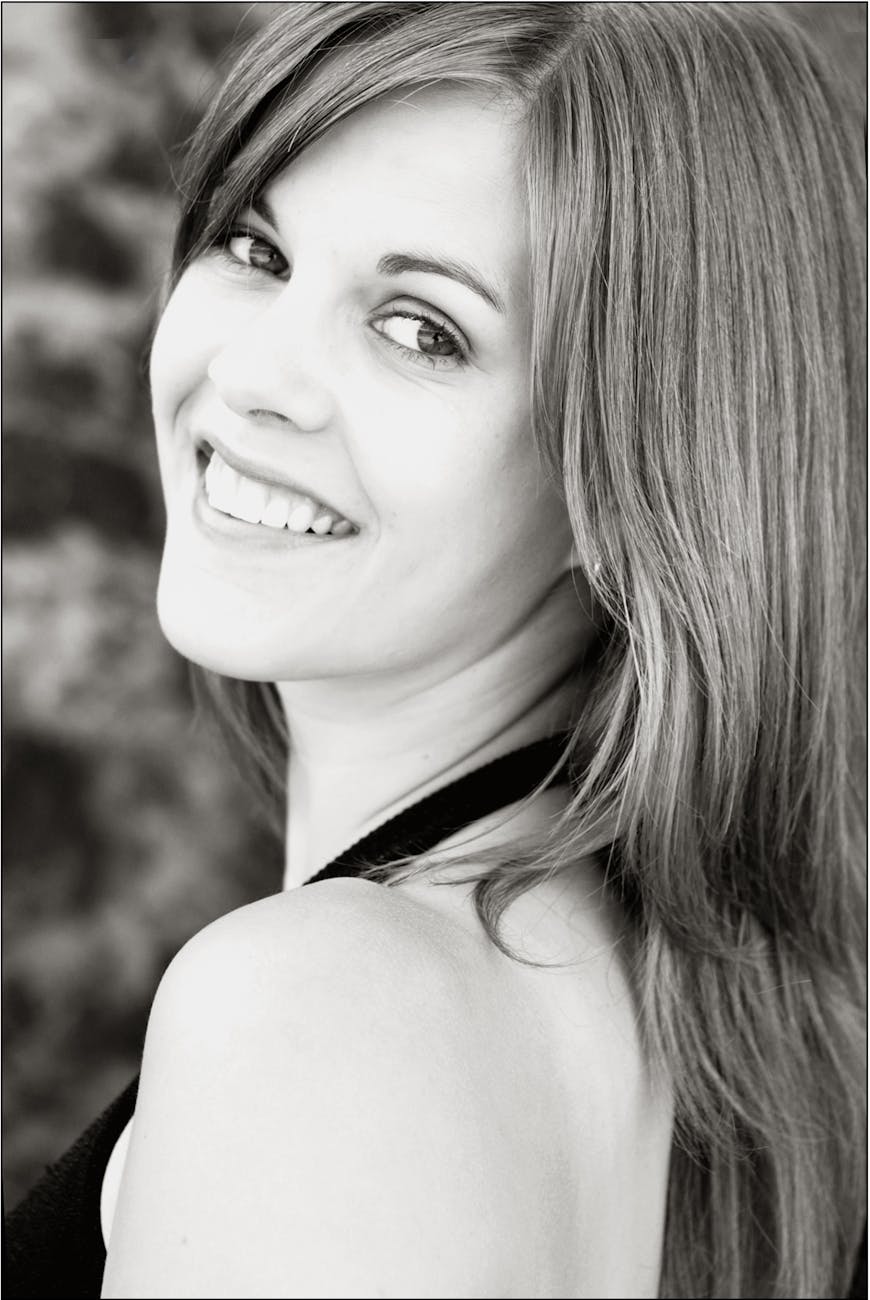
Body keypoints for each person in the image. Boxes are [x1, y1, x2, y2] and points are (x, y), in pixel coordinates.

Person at [4, 3, 866, 1297]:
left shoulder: (318, 1016)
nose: (255, 376)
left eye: (421, 329)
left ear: (631, 475)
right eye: (255, 247)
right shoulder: (744, 1037)